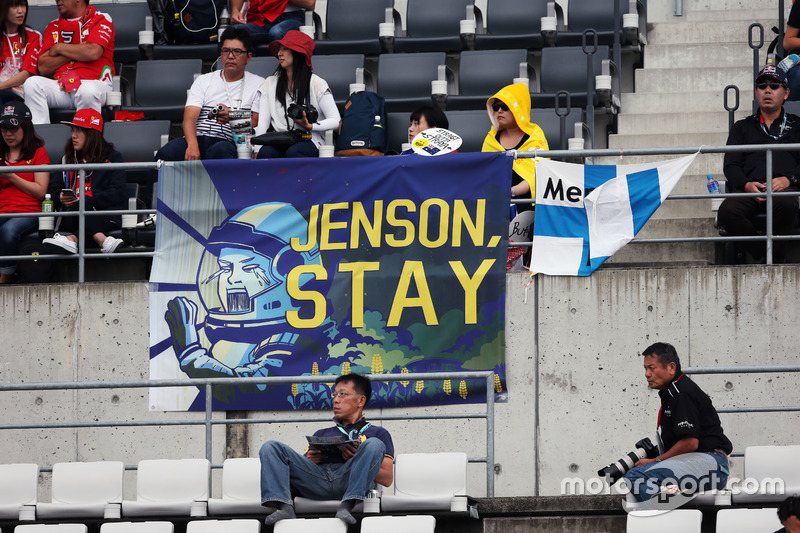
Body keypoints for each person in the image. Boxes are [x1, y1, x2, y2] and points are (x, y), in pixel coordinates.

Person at [259, 373, 394, 526]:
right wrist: (309, 460)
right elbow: (301, 470)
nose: (336, 400)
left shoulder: (378, 433)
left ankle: (347, 505)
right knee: (270, 447)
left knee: (373, 444)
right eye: (334, 395)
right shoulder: (321, 434)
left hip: (348, 480)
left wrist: (358, 460)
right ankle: (284, 506)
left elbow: (387, 479)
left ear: (360, 400)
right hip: (317, 480)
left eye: (342, 394)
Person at [149, 27, 264, 203]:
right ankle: (160, 210)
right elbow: (189, 118)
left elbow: (256, 122)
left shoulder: (258, 83)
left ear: (249, 57)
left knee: (219, 151)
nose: (230, 56)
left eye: (237, 51)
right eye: (226, 51)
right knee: (167, 153)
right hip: (199, 137)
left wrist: (233, 116)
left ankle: (224, 207)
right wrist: (192, 144)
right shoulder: (205, 80)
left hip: (230, 142)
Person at [622, 342, 732, 504]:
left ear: (671, 368)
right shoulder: (673, 392)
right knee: (645, 478)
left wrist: (656, 461)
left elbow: (690, 443)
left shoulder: (681, 393)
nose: (647, 374)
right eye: (645, 369)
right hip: (703, 465)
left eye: (652, 368)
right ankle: (678, 502)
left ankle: (671, 516)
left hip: (709, 463)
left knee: (636, 476)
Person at [717, 64, 800, 263]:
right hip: (751, 189)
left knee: (786, 203)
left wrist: (788, 180)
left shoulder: (798, 125)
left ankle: (776, 256)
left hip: (785, 189)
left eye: (774, 85)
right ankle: (764, 254)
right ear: (756, 92)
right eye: (762, 86)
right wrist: (747, 185)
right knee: (727, 212)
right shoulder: (741, 127)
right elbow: (731, 165)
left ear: (786, 93)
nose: (768, 90)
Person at [42, 108, 125, 254]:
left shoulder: (112, 157)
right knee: (80, 206)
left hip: (104, 215)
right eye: (73, 130)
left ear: (92, 134)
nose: (73, 136)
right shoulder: (66, 159)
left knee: (84, 204)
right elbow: (52, 190)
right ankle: (103, 240)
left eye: (79, 131)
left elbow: (117, 193)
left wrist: (87, 200)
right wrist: (60, 197)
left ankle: (72, 240)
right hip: (72, 214)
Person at [22, 0, 114, 124]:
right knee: (32, 84)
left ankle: (88, 142)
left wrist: (58, 48)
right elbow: (43, 67)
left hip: (95, 83)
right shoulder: (52, 25)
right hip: (62, 86)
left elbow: (93, 52)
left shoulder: (101, 18)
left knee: (87, 90)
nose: (57, 0)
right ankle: (40, 139)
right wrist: (75, 50)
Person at [253, 30, 340, 159]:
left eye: (285, 49)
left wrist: (310, 126)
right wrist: (257, 150)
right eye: (279, 49)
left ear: (298, 53)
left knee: (295, 153)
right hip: (279, 138)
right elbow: (263, 123)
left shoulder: (316, 83)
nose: (279, 53)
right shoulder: (270, 83)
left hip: (309, 138)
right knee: (266, 153)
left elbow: (336, 120)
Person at [0, 100, 49, 283]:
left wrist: (12, 176)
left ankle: (5, 275)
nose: (8, 134)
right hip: (3, 209)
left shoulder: (38, 153)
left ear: (26, 128)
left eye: (13, 128)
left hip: (29, 211)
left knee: (8, 230)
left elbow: (41, 192)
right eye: (4, 129)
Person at [481, 83, 548, 212]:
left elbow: (536, 175)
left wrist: (510, 192)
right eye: (496, 107)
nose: (499, 111)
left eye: (505, 107)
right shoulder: (491, 139)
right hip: (496, 207)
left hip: (528, 208)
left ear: (519, 109)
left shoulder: (535, 136)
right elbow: (484, 172)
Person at [0, 0, 41, 107]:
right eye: (14, 6)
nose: (20, 11)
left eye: (23, 5)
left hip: (21, 92)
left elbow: (27, 73)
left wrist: (1, 86)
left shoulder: (33, 36)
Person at [231, 0, 315, 46]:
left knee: (277, 32)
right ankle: (252, 73)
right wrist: (235, 10)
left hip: (290, 18)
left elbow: (310, 3)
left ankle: (280, 75)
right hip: (260, 19)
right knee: (237, 31)